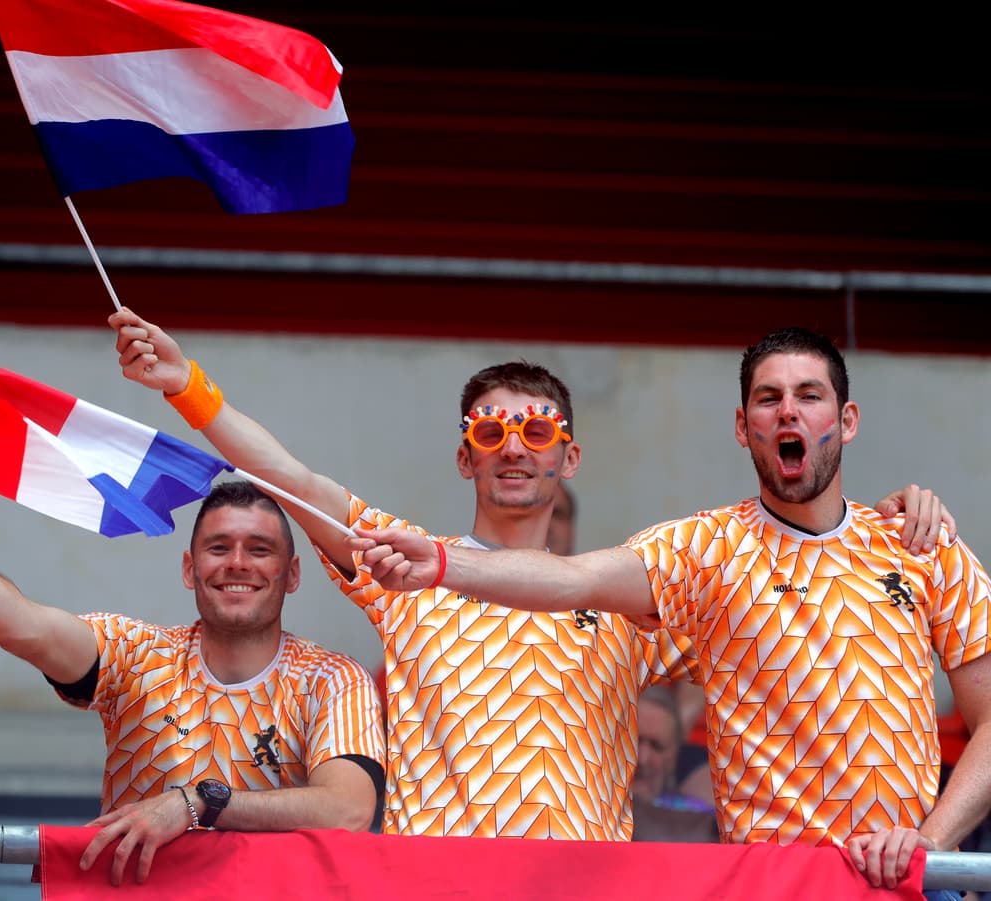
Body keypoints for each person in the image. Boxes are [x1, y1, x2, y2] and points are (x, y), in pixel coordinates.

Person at [108, 310, 949, 844]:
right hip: (436, 887)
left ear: (569, 455)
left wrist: (880, 523)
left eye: (538, 429)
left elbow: (788, 618)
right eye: (492, 429)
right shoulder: (408, 566)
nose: (515, 444)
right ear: (465, 454)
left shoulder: (633, 592)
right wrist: (189, 387)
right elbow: (294, 478)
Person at [355, 326, 988, 894]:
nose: (789, 409)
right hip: (773, 888)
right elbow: (576, 580)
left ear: (846, 419)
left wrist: (930, 839)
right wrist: (440, 564)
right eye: (768, 399)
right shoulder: (699, 551)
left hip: (914, 882)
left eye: (809, 394)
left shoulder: (922, 546)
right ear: (744, 427)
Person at [0, 480, 385, 886]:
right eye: (218, 548)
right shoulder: (138, 653)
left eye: (259, 549)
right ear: (190, 569)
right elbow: (26, 627)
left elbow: (350, 810)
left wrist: (198, 803)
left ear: (291, 575)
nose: (237, 563)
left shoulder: (334, 679)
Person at [629, 685, 717, 843]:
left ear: (674, 756)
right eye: (635, 741)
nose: (643, 759)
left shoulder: (701, 823)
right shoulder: (587, 810)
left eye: (657, 747)